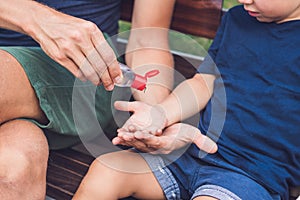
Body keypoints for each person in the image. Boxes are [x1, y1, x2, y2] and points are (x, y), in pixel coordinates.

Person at [73, 0, 300, 199]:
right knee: (107, 170)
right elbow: (203, 82)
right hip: (189, 152)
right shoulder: (237, 19)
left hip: (251, 176)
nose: (243, 0)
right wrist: (160, 114)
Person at [0, 0, 175, 199]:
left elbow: (148, 40)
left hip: (84, 71)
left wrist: (159, 113)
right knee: (13, 172)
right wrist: (37, 18)